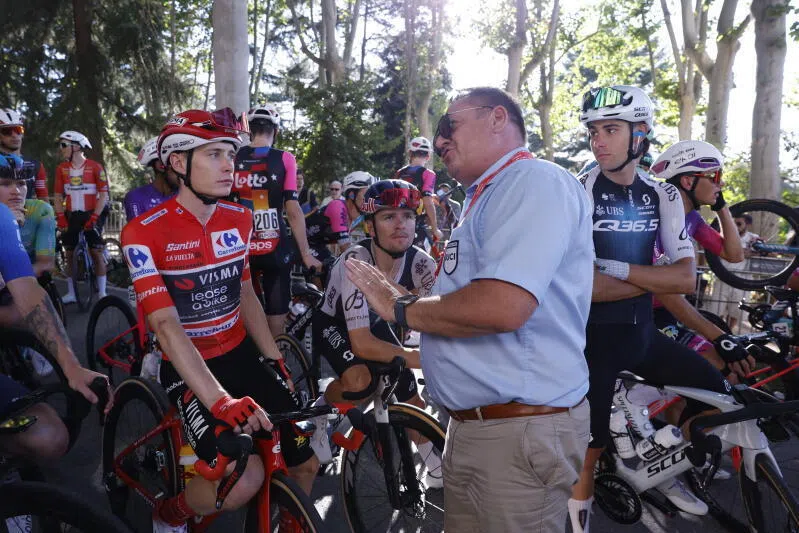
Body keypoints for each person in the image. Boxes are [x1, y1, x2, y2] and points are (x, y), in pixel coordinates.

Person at [348, 87, 593, 532]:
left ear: (498, 118)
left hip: (516, 433)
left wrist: (400, 307)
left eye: (448, 125)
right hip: (482, 430)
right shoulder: (491, 195)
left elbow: (501, 306)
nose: (439, 141)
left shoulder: (532, 181)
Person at [121, 108, 319, 533]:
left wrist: (273, 359)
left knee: (304, 459)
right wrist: (218, 400)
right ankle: (169, 513)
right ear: (178, 163)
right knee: (243, 481)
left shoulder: (239, 217)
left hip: (241, 354)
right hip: (189, 368)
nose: (229, 164)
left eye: (230, 154)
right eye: (213, 154)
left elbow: (245, 292)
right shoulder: (142, 232)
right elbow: (167, 327)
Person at [572, 85, 731, 531]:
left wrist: (620, 269)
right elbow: (580, 288)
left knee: (720, 396)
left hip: (644, 339)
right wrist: (645, 278)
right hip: (593, 348)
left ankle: (659, 472)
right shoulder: (579, 189)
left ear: (639, 135)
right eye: (593, 131)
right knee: (589, 454)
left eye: (610, 129)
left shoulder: (661, 194)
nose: (597, 140)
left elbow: (684, 279)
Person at [312, 180, 439, 479]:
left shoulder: (421, 262)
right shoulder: (357, 260)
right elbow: (363, 345)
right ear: (370, 227)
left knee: (409, 393)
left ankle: (435, 467)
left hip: (373, 321)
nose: (401, 225)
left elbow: (440, 316)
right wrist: (421, 358)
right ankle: (321, 409)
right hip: (334, 322)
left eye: (408, 216)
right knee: (361, 382)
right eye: (388, 216)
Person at [0, 153, 111, 463]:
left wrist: (70, 365)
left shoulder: (12, 218)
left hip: (17, 286)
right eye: (5, 183)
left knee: (50, 437)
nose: (16, 191)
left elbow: (30, 288)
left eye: (20, 183)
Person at [650, 140, 755, 384]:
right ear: (688, 182)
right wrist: (720, 337)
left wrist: (721, 207)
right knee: (723, 371)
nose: (720, 183)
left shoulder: (692, 219)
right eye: (714, 176)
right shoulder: (655, 217)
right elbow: (664, 290)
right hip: (642, 315)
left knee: (728, 376)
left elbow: (734, 254)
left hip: (664, 314)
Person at [229, 103, 322, 336]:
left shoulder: (233, 156)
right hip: (275, 247)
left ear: (249, 131)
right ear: (276, 132)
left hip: (237, 247)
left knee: (241, 321)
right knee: (276, 326)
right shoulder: (285, 159)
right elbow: (292, 210)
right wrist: (306, 254)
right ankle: (277, 359)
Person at [53, 130, 109, 303]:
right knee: (69, 253)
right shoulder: (61, 169)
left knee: (95, 252)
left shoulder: (95, 166)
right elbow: (57, 196)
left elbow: (104, 194)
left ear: (76, 147)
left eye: (64, 145)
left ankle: (102, 293)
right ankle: (71, 292)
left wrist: (95, 217)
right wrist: (61, 216)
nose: (61, 149)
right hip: (72, 213)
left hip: (93, 211)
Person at [393, 136, 443, 249]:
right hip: (415, 226)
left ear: (410, 153)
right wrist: (435, 229)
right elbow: (427, 201)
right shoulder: (428, 174)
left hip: (396, 225)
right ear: (428, 156)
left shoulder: (399, 173)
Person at [123, 136, 178, 221]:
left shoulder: (189, 197)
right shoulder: (136, 197)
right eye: (176, 164)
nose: (184, 171)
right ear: (160, 166)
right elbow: (137, 232)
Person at [0, 109, 49, 200]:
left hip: (26, 213)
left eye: (18, 130)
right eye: (7, 131)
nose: (14, 135)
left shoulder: (36, 165)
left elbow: (44, 199)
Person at [341, 170, 377, 244]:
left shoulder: (371, 220)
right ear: (352, 195)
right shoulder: (338, 212)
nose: (371, 198)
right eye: (367, 193)